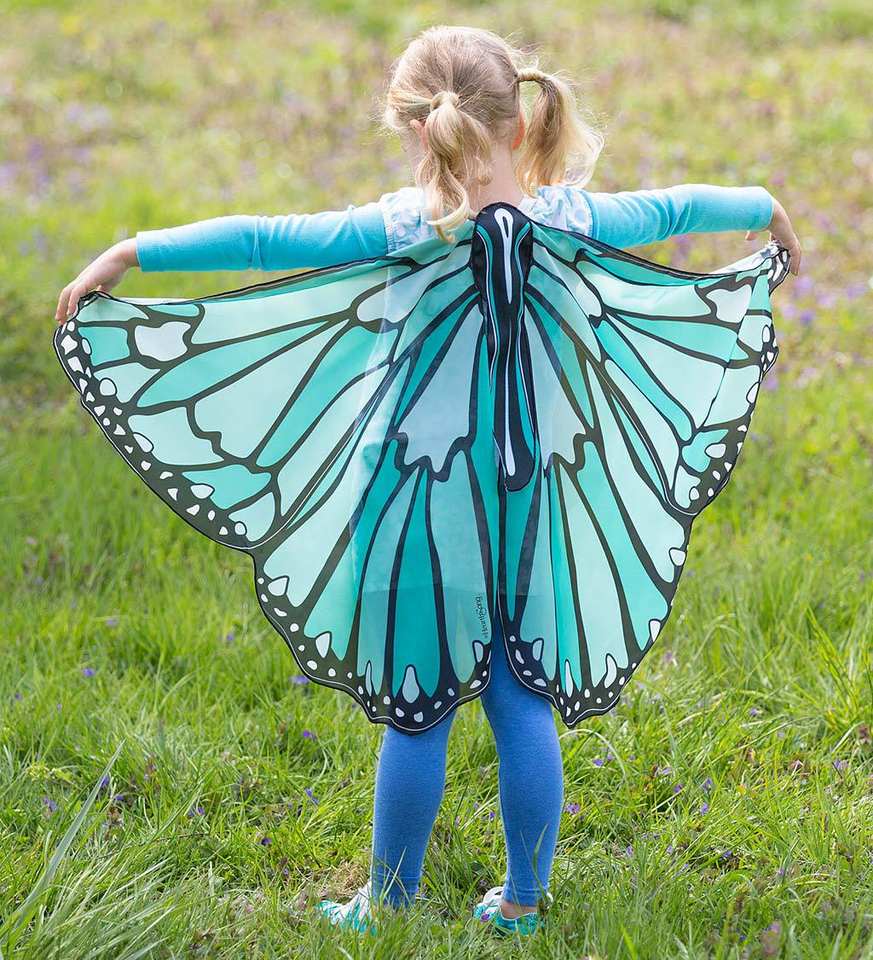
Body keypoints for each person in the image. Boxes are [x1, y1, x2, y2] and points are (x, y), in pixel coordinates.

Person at [54, 24, 800, 937]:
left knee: (418, 710)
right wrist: (763, 205)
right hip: (535, 500)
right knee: (521, 702)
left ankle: (388, 902)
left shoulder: (405, 230)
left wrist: (133, 251)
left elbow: (266, 239)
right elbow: (675, 209)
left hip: (413, 502)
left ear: (415, 129)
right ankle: (522, 902)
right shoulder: (571, 219)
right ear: (521, 124)